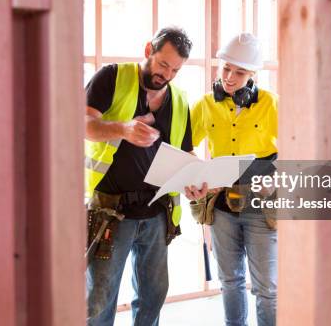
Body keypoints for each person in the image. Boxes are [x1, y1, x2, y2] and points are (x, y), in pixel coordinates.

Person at [84, 26, 194, 326]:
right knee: (100, 298)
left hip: (157, 212)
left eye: (175, 70)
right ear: (149, 50)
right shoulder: (112, 77)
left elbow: (185, 153)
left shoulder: (180, 99)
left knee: (154, 295)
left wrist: (193, 181)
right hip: (111, 210)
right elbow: (82, 124)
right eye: (162, 64)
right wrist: (122, 128)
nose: (166, 75)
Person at [185, 33, 278, 326]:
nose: (229, 77)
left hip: (262, 206)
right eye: (225, 68)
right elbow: (183, 146)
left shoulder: (271, 104)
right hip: (223, 205)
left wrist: (278, 180)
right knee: (229, 281)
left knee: (267, 289)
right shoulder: (204, 105)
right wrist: (195, 175)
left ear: (252, 75)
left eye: (239, 72)